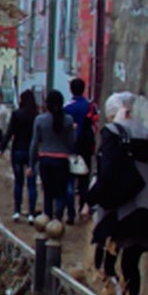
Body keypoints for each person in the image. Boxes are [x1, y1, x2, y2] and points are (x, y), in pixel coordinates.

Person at [87, 92, 148, 295]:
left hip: (118, 209)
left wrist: (91, 199)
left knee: (106, 259)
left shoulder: (112, 134)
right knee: (132, 263)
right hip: (145, 208)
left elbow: (108, 172)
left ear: (111, 114)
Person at [28, 90, 76, 219]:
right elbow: (71, 143)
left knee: (48, 193)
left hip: (45, 159)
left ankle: (47, 219)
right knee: (61, 192)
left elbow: (34, 143)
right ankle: (58, 217)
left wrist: (31, 164)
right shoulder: (68, 120)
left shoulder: (40, 119)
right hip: (62, 160)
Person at [0, 89, 39, 222]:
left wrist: (1, 148)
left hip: (17, 150)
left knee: (18, 182)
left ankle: (17, 210)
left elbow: (10, 132)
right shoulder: (36, 115)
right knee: (31, 184)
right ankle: (31, 214)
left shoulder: (16, 114)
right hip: (31, 152)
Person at [64, 78, 97, 225]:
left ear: (71, 90)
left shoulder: (67, 108)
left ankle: (70, 214)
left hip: (71, 147)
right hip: (86, 147)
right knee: (84, 180)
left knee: (69, 181)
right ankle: (84, 207)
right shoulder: (90, 106)